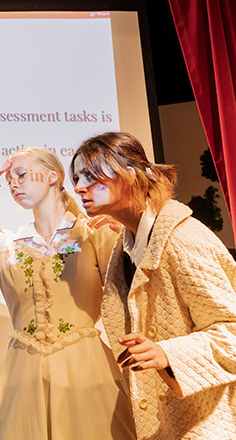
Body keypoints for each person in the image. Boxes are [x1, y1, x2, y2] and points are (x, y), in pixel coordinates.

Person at [0, 148, 136, 439]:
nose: (13, 184)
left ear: (53, 177)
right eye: (9, 179)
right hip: (25, 372)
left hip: (86, 368)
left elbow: (134, 287)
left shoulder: (91, 233)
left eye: (21, 175)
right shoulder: (5, 244)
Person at [70, 131, 236, 439]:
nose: (79, 187)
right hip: (167, 422)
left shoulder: (182, 239)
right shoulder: (128, 244)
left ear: (129, 174)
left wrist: (168, 353)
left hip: (206, 423)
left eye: (90, 176)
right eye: (77, 178)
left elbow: (232, 331)